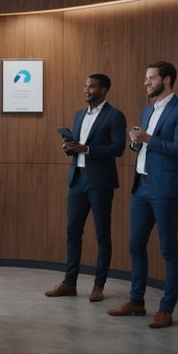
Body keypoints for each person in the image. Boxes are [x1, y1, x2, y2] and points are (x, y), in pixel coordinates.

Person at [107, 61, 178, 328]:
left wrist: (147, 139)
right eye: (146, 78)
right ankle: (136, 302)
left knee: (168, 249)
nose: (146, 82)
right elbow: (145, 147)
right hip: (142, 187)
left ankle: (166, 310)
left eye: (151, 78)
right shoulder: (148, 110)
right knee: (135, 246)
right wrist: (135, 143)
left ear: (166, 80)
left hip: (166, 189)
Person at [45, 74, 125, 302]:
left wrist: (87, 149)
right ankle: (69, 283)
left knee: (102, 235)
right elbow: (77, 146)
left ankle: (99, 286)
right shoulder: (79, 115)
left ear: (104, 90)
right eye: (85, 86)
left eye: (92, 86)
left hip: (100, 183)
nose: (87, 90)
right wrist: (69, 147)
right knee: (72, 233)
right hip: (77, 180)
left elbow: (118, 148)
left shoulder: (115, 116)